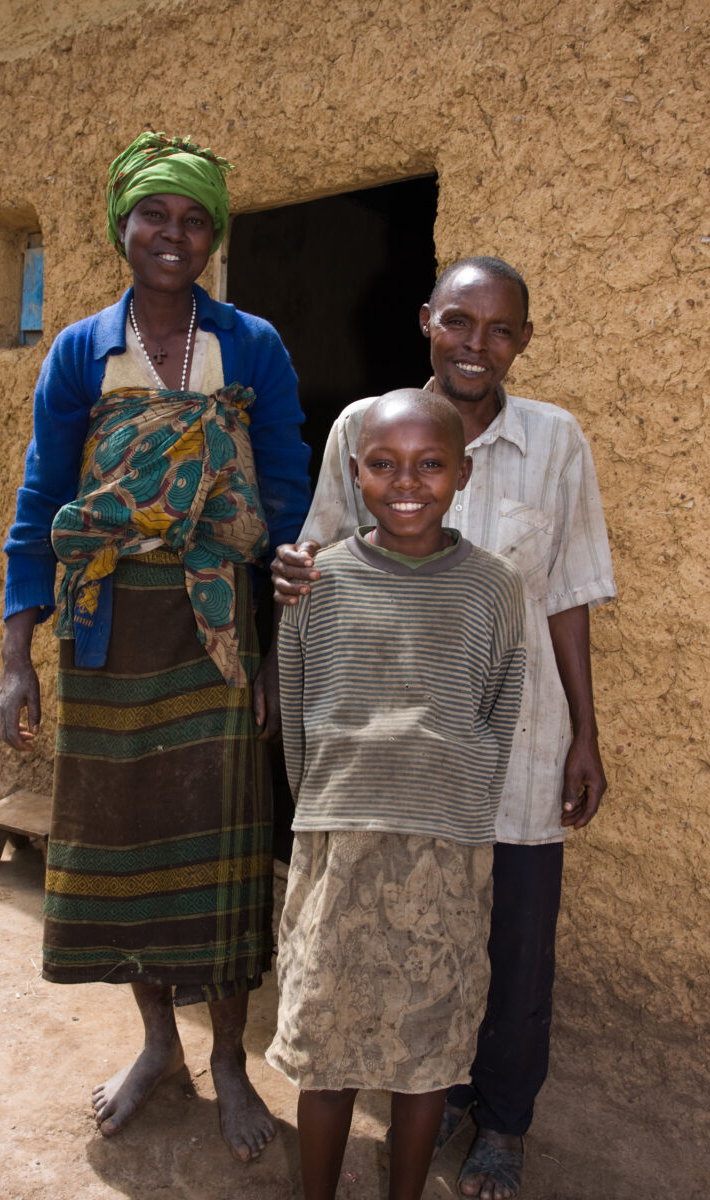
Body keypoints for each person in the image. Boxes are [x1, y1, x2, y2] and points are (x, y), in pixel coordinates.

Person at [272, 257, 616, 1198]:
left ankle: (502, 1120)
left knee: (515, 940)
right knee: (418, 943)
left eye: (500, 330)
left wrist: (585, 733)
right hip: (385, 756)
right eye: (459, 322)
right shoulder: (366, 425)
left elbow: (571, 596)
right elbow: (324, 562)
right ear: (427, 321)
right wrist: (291, 579)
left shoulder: (556, 440)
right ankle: (438, 1088)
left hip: (518, 733)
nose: (477, 345)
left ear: (523, 342)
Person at [0, 131, 311, 1161]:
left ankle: (226, 1056)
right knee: (124, 844)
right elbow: (43, 499)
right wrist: (15, 657)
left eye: (194, 220)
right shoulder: (81, 349)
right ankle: (154, 1048)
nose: (174, 236)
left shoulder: (250, 344)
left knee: (215, 851)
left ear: (213, 235)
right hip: (103, 630)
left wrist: (275, 647)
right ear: (122, 228)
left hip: (217, 629)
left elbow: (284, 495)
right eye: (155, 217)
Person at [266, 389, 526, 1200]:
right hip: (337, 846)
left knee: (428, 1051)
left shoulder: (493, 589)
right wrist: (330, 810)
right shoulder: (318, 584)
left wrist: (447, 801)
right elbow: (301, 716)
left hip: (445, 854)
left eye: (429, 464)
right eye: (383, 464)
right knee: (326, 1044)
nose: (405, 482)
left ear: (463, 472)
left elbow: (499, 708)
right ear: (354, 471)